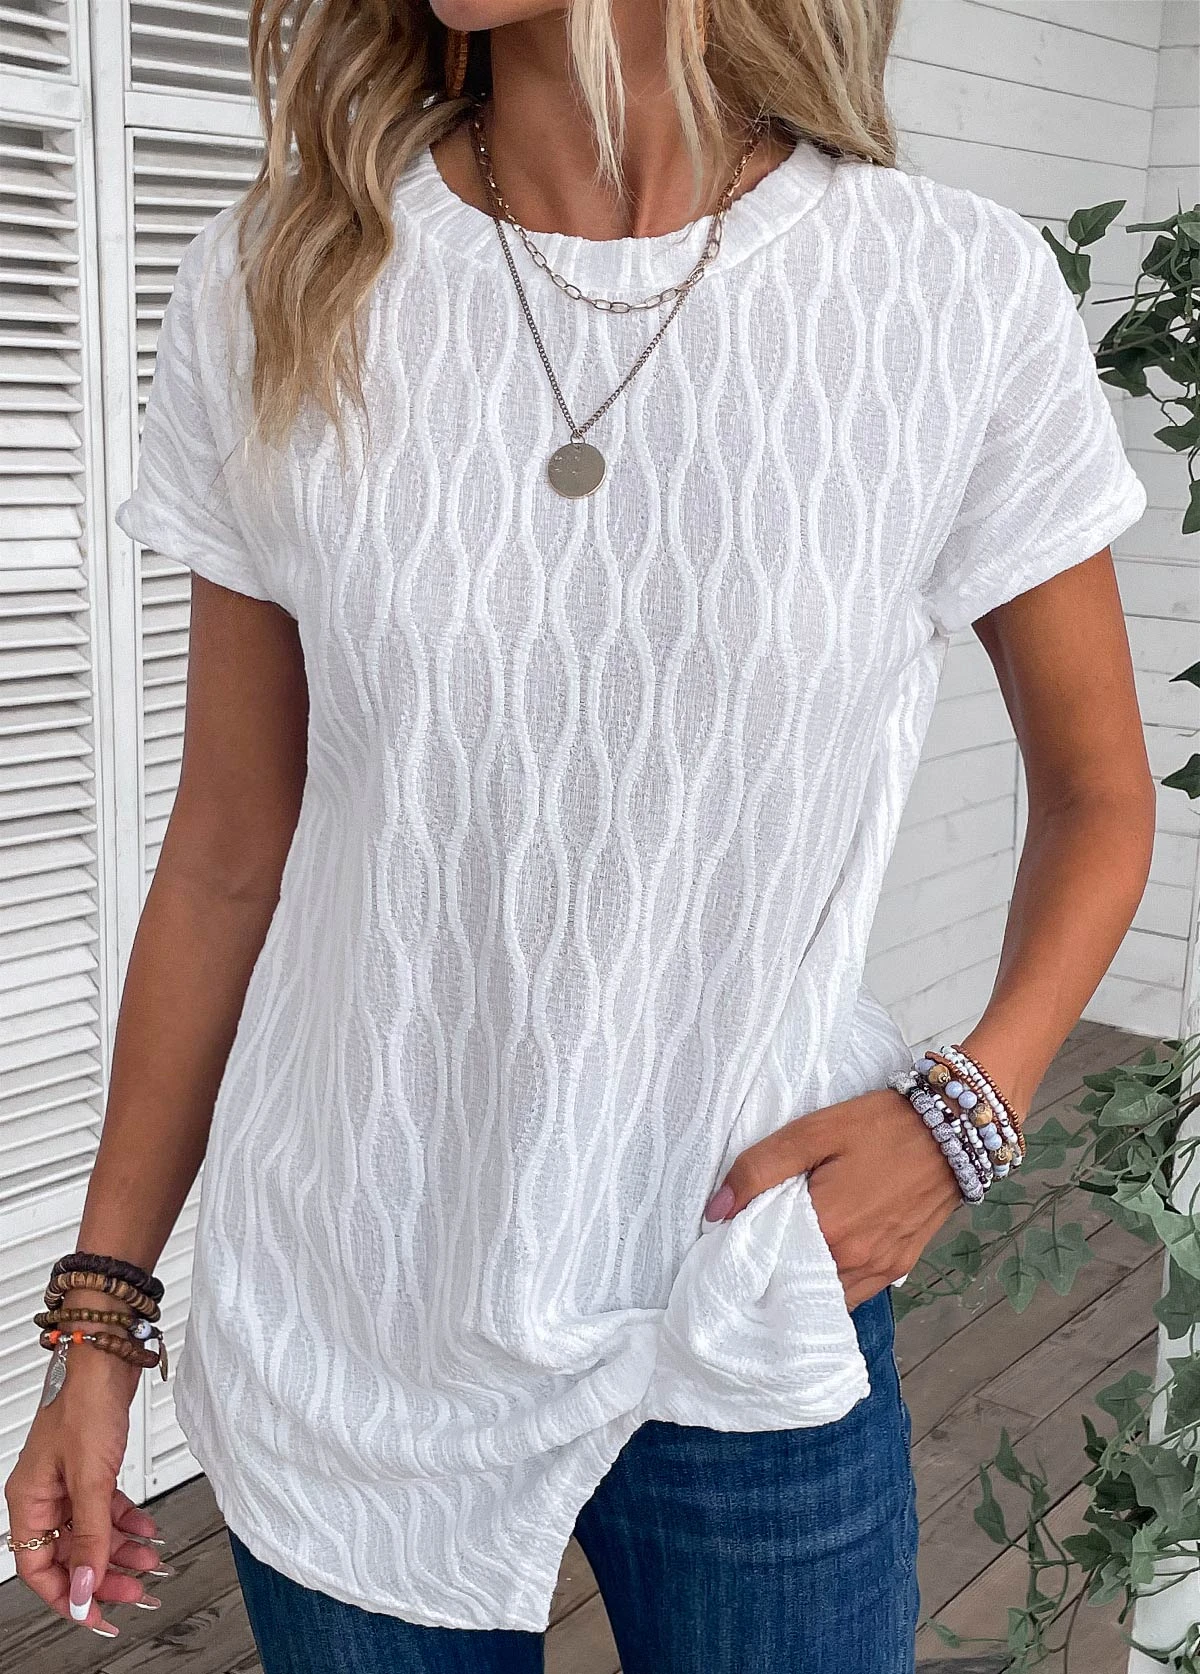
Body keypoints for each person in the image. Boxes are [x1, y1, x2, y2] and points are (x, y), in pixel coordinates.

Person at [4, 2, 1157, 1671]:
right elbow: (227, 851)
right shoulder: (283, 278)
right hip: (353, 1310)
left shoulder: (947, 291)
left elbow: (1101, 797)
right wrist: (100, 1319)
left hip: (747, 1285)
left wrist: (969, 1108)